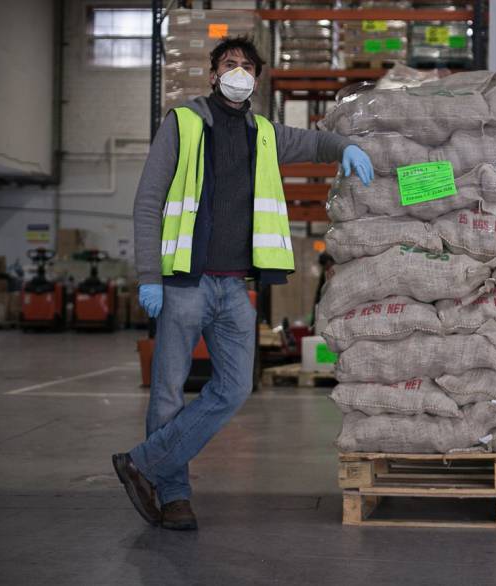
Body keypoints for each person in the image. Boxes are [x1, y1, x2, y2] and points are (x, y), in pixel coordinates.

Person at [112, 36, 373, 531]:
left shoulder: (265, 133)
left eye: (247, 67)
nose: (238, 72)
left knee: (233, 387)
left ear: (256, 80)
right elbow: (148, 203)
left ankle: (143, 463)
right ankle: (173, 496)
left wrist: (346, 147)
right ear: (213, 75)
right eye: (229, 64)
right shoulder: (182, 123)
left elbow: (315, 142)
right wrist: (150, 276)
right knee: (168, 394)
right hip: (185, 283)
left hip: (233, 288)